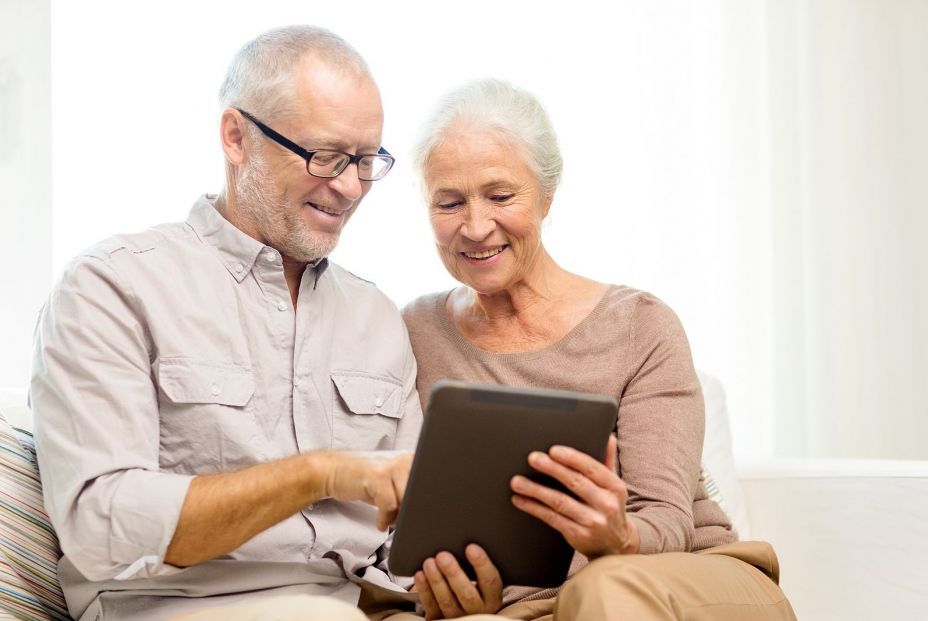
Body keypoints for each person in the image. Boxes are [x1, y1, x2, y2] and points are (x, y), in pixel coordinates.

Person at [30, 26, 424, 621]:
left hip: (357, 608)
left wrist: (448, 579)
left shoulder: (377, 318)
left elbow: (409, 533)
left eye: (367, 161)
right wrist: (317, 472)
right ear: (236, 137)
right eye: (325, 156)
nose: (349, 187)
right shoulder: (111, 286)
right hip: (173, 606)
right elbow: (99, 525)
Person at [401, 79, 798, 620]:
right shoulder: (411, 334)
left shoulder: (639, 325)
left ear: (546, 195)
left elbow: (667, 521)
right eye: (449, 202)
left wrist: (619, 534)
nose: (475, 226)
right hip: (535, 608)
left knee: (605, 588)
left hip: (683, 580)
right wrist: (456, 594)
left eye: (500, 196)